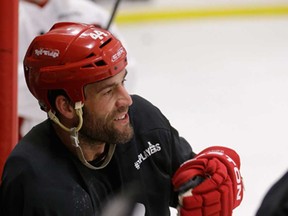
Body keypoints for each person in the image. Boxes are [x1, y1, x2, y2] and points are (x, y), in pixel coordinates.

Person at [0, 22, 243, 216]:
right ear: (67, 106)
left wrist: (209, 184)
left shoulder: (143, 121)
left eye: (122, 82)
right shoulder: (34, 179)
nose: (126, 100)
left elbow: (197, 184)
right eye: (108, 90)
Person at [18, 0, 136, 139]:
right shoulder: (9, 16)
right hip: (24, 136)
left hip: (97, 133)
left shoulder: (90, 13)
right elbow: (8, 87)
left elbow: (127, 69)